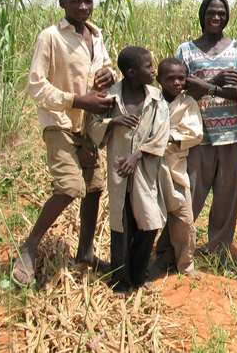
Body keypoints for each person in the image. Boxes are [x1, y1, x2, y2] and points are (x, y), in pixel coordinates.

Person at [12, 0, 115, 286]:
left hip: (88, 124)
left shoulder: (95, 35)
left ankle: (84, 253)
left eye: (88, 1)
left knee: (94, 188)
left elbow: (105, 67)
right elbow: (36, 84)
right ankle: (29, 247)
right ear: (62, 4)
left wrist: (108, 75)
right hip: (59, 121)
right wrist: (74, 99)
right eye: (75, 1)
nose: (83, 6)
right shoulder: (51, 37)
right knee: (71, 186)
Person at [176, 0, 237, 261]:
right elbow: (181, 91)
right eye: (211, 13)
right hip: (197, 134)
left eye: (221, 13)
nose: (216, 18)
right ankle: (178, 248)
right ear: (202, 16)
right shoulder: (185, 50)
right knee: (191, 194)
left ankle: (219, 250)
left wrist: (208, 86)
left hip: (230, 134)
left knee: (226, 196)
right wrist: (219, 84)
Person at [87, 46, 169, 292]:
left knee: (149, 222)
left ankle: (138, 272)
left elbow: (161, 133)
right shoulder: (110, 97)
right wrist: (114, 121)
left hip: (145, 171)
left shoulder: (156, 97)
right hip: (119, 172)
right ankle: (121, 280)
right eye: (148, 66)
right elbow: (93, 128)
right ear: (132, 72)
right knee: (121, 225)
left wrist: (137, 155)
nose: (153, 69)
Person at [152, 58, 203, 276]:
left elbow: (195, 133)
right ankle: (146, 260)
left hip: (175, 168)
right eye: (170, 78)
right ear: (159, 80)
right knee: (149, 216)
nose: (176, 83)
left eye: (181, 78)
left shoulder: (188, 103)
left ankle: (186, 264)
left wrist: (167, 136)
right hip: (151, 167)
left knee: (183, 218)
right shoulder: (151, 100)